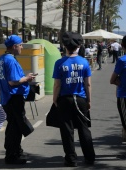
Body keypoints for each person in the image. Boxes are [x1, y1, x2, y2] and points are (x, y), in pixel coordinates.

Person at [52, 32, 95, 167]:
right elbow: (87, 84)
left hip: (65, 99)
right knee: (84, 128)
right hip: (81, 98)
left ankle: (71, 159)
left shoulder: (59, 63)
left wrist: (54, 99)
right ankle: (89, 157)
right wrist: (89, 100)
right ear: (79, 45)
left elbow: (57, 84)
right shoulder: (84, 62)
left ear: (64, 45)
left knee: (67, 130)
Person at [0, 35, 37, 164]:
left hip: (7, 97)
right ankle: (12, 155)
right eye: (20, 45)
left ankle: (16, 152)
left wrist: (3, 92)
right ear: (14, 46)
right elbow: (13, 81)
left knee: (14, 126)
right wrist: (28, 78)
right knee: (15, 128)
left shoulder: (1, 59)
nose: (22, 47)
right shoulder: (10, 60)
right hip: (14, 98)